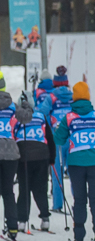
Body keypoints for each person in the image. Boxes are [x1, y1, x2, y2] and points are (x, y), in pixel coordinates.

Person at [54, 82, 95, 241]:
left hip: (76, 163)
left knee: (79, 200)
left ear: (74, 97)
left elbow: (58, 139)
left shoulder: (69, 117)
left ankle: (79, 235)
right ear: (88, 96)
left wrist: (60, 128)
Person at [15, 94, 54, 233]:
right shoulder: (40, 116)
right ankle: (45, 219)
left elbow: (12, 136)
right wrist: (52, 158)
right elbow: (49, 137)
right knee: (40, 189)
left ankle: (21, 221)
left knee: (24, 190)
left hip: (23, 157)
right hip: (42, 155)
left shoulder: (16, 117)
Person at [38, 66, 73, 213]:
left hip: (57, 138)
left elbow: (42, 113)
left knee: (57, 172)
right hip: (72, 138)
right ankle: (79, 202)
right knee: (73, 172)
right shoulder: (73, 96)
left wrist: (48, 127)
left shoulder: (51, 97)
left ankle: (57, 205)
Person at [0, 85, 21, 240]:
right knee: (8, 191)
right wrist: (27, 106)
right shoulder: (12, 105)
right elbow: (27, 117)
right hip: (11, 152)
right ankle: (13, 227)